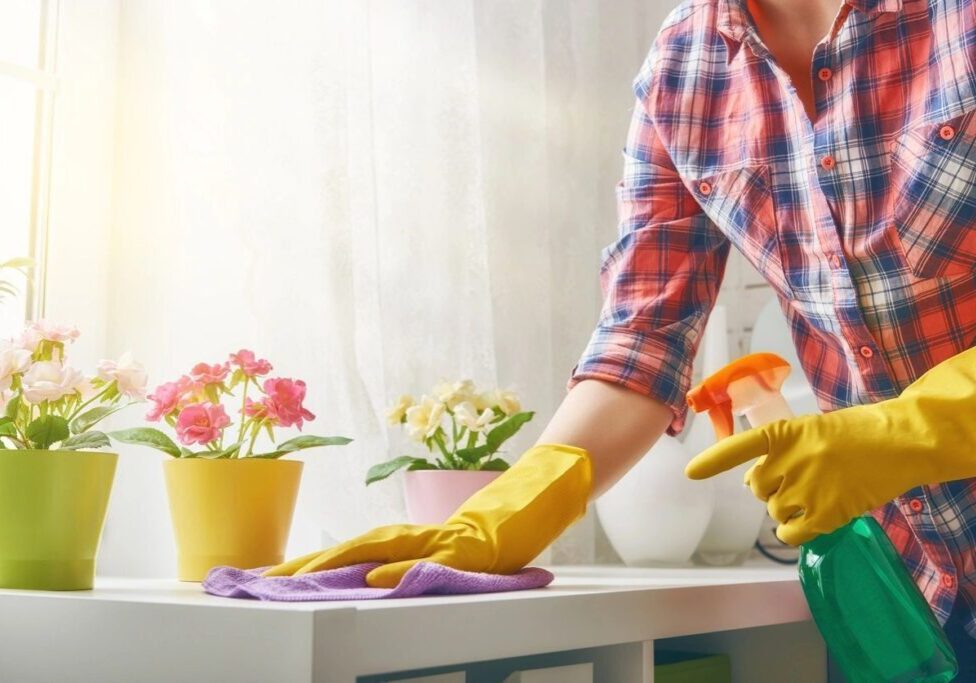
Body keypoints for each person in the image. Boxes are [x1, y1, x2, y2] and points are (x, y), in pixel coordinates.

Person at [268, 0, 976, 673]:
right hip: (915, 598)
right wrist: (504, 515)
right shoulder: (684, 67)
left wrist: (909, 430)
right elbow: (645, 334)